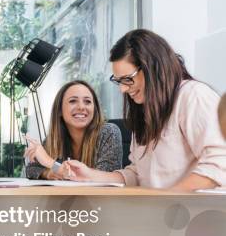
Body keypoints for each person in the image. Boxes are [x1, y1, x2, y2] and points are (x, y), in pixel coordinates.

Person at [65, 29, 226, 191]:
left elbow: (219, 163)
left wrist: (166, 200)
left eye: (128, 79)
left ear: (153, 68)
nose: (122, 89)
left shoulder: (193, 96)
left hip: (191, 211)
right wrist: (90, 175)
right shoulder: (145, 109)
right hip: (162, 210)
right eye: (119, 81)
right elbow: (137, 174)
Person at [25, 80, 122, 179]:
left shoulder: (109, 132)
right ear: (59, 110)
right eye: (73, 101)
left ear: (95, 109)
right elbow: (31, 169)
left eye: (87, 101)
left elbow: (104, 176)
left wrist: (51, 163)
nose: (81, 107)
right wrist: (49, 174)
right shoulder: (54, 139)